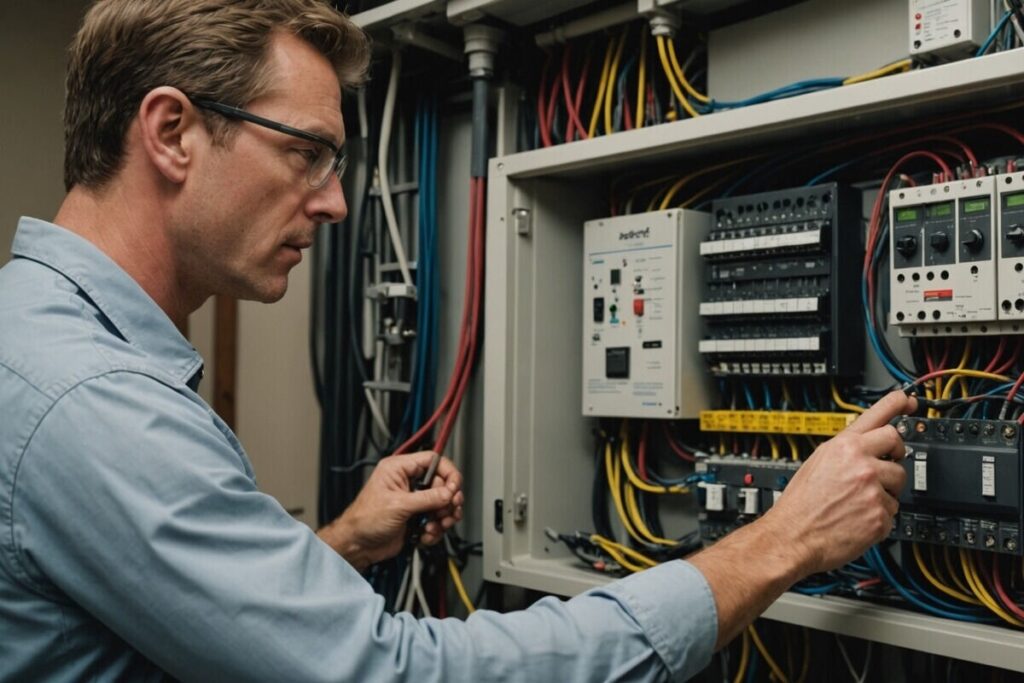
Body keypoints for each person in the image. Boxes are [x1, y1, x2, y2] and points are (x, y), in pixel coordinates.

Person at [0, 1, 914, 680]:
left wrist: (347, 540)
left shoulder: (36, 340)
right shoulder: (97, 402)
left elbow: (153, 617)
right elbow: (397, 673)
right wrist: (778, 541)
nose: (334, 199)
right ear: (172, 132)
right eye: (305, 151)